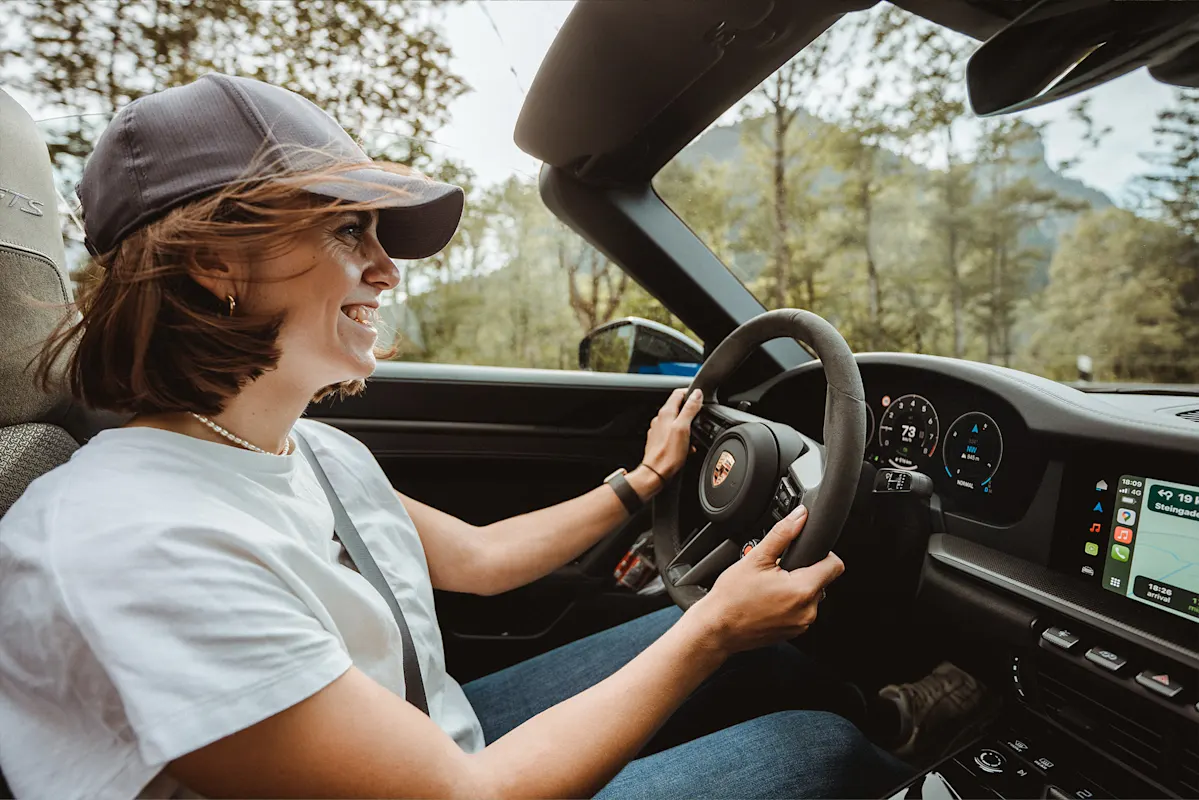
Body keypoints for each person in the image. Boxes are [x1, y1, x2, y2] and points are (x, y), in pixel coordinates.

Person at [0, 74, 910, 799]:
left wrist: (641, 480)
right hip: (449, 782)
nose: (388, 267)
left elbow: (479, 559)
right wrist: (709, 630)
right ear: (211, 264)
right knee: (816, 751)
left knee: (776, 662)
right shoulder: (137, 544)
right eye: (346, 230)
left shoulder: (305, 451)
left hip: (428, 740)